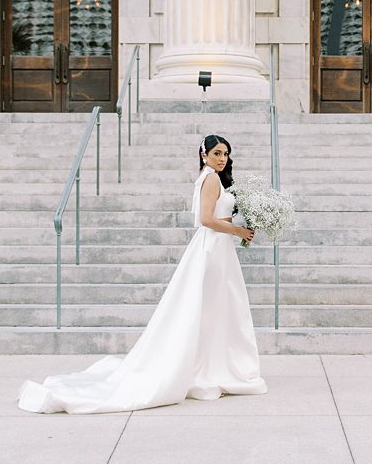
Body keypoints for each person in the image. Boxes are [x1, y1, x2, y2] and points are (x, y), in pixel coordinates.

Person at [16, 134, 268, 413]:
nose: (222, 159)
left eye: (225, 154)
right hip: (213, 247)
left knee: (215, 308)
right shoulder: (209, 178)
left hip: (218, 249)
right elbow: (207, 220)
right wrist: (239, 231)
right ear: (203, 155)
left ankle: (211, 363)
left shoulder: (213, 178)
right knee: (212, 307)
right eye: (217, 153)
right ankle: (208, 367)